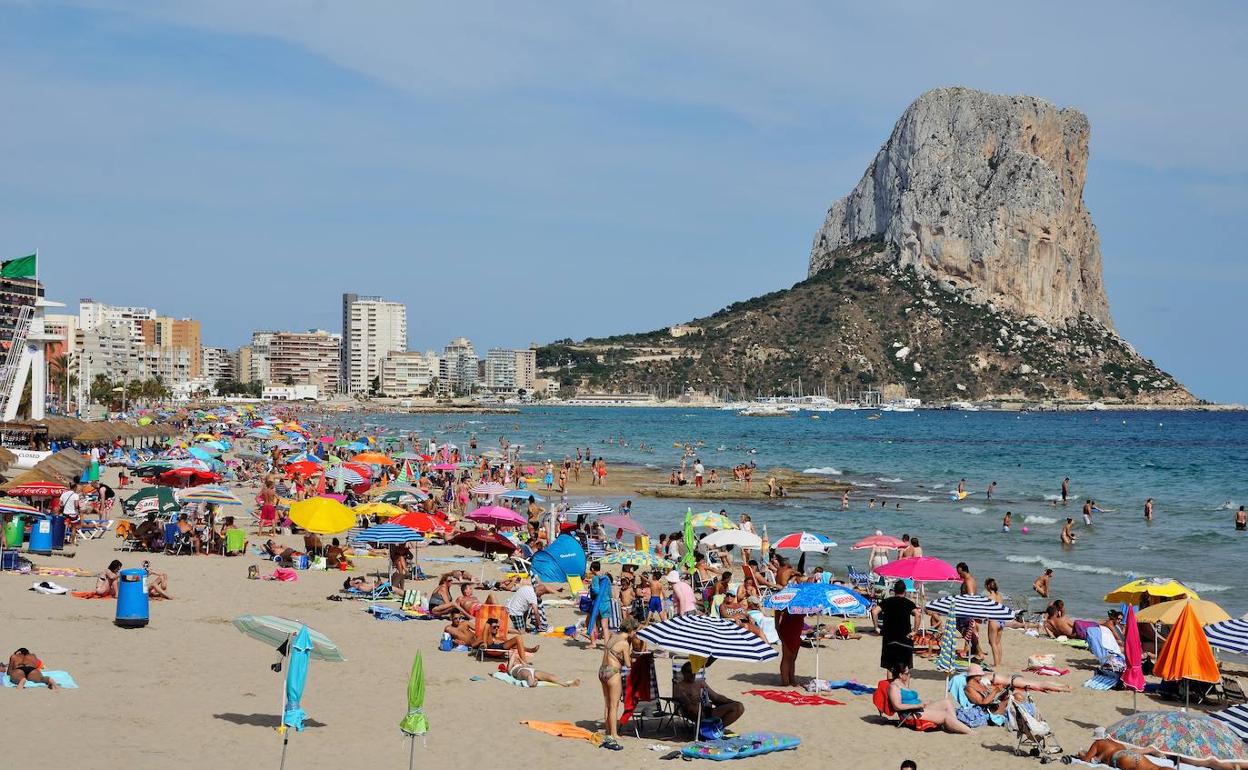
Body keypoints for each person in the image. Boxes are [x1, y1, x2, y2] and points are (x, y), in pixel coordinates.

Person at [887, 663, 971, 734]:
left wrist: (922, 702)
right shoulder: (894, 687)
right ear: (900, 675)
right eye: (907, 673)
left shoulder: (903, 684)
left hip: (918, 708)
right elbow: (897, 706)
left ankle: (955, 724)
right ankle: (970, 732)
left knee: (946, 702)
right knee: (944, 715)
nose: (909, 675)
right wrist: (916, 706)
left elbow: (910, 699)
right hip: (911, 714)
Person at [598, 617, 638, 747]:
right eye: (635, 631)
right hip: (613, 672)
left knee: (607, 704)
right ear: (631, 630)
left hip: (602, 671)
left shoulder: (612, 637)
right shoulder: (624, 643)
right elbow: (628, 664)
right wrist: (634, 660)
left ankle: (608, 731)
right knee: (614, 705)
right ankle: (614, 734)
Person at [673, 661, 744, 730]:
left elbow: (716, 697)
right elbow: (684, 703)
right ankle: (706, 728)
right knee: (694, 708)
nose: (693, 673)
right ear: (683, 673)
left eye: (694, 671)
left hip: (708, 712)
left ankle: (716, 729)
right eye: (689, 671)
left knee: (739, 707)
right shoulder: (679, 687)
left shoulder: (701, 683)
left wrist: (731, 702)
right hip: (692, 713)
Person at [874, 580, 920, 673]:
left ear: (894, 590)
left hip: (889, 637)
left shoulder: (886, 601)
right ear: (905, 590)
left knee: (890, 667)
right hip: (905, 637)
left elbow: (874, 611)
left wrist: (876, 628)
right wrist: (915, 631)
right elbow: (918, 614)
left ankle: (890, 686)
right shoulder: (908, 603)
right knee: (905, 667)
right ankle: (904, 687)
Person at [505, 649, 579, 688]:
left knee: (550, 676)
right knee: (529, 676)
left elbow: (526, 665)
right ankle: (532, 683)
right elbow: (508, 670)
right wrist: (513, 655)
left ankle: (566, 684)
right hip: (520, 672)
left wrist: (520, 659)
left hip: (530, 670)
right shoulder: (511, 667)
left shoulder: (519, 661)